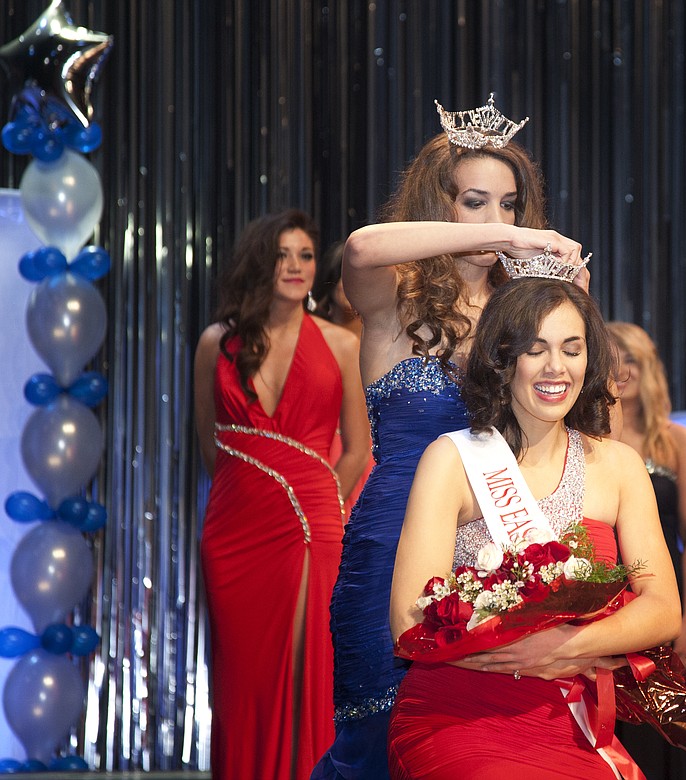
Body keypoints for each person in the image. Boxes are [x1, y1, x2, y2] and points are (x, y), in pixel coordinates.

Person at [311, 94, 588, 779]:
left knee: (483, 744)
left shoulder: (521, 315)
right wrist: (520, 243)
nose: (498, 221)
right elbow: (359, 246)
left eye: (511, 205)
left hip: (498, 544)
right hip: (393, 542)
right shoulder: (394, 300)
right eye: (475, 202)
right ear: (440, 204)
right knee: (379, 743)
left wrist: (575, 304)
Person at [387, 277, 682, 778]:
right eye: (535, 349)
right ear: (503, 359)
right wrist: (525, 654)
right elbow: (409, 622)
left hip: (570, 718)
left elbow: (663, 609)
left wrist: (565, 648)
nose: (556, 368)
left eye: (572, 349)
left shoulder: (620, 466)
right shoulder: (452, 459)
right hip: (458, 712)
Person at [193, 208, 370, 780]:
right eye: (282, 255)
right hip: (234, 532)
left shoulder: (344, 343)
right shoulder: (216, 344)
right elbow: (209, 444)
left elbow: (358, 449)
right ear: (259, 262)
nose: (295, 267)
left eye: (306, 255)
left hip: (312, 527)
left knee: (310, 672)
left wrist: (321, 504)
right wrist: (260, 490)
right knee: (242, 680)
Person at [607, 321, 686, 779]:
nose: (619, 369)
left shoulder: (679, 442)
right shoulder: (587, 442)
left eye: (628, 357)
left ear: (646, 368)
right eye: (609, 358)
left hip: (663, 594)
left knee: (662, 728)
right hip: (602, 595)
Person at [313, 240, 373, 517]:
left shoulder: (388, 341)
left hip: (371, 458)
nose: (349, 284)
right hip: (320, 456)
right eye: (343, 275)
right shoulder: (309, 340)